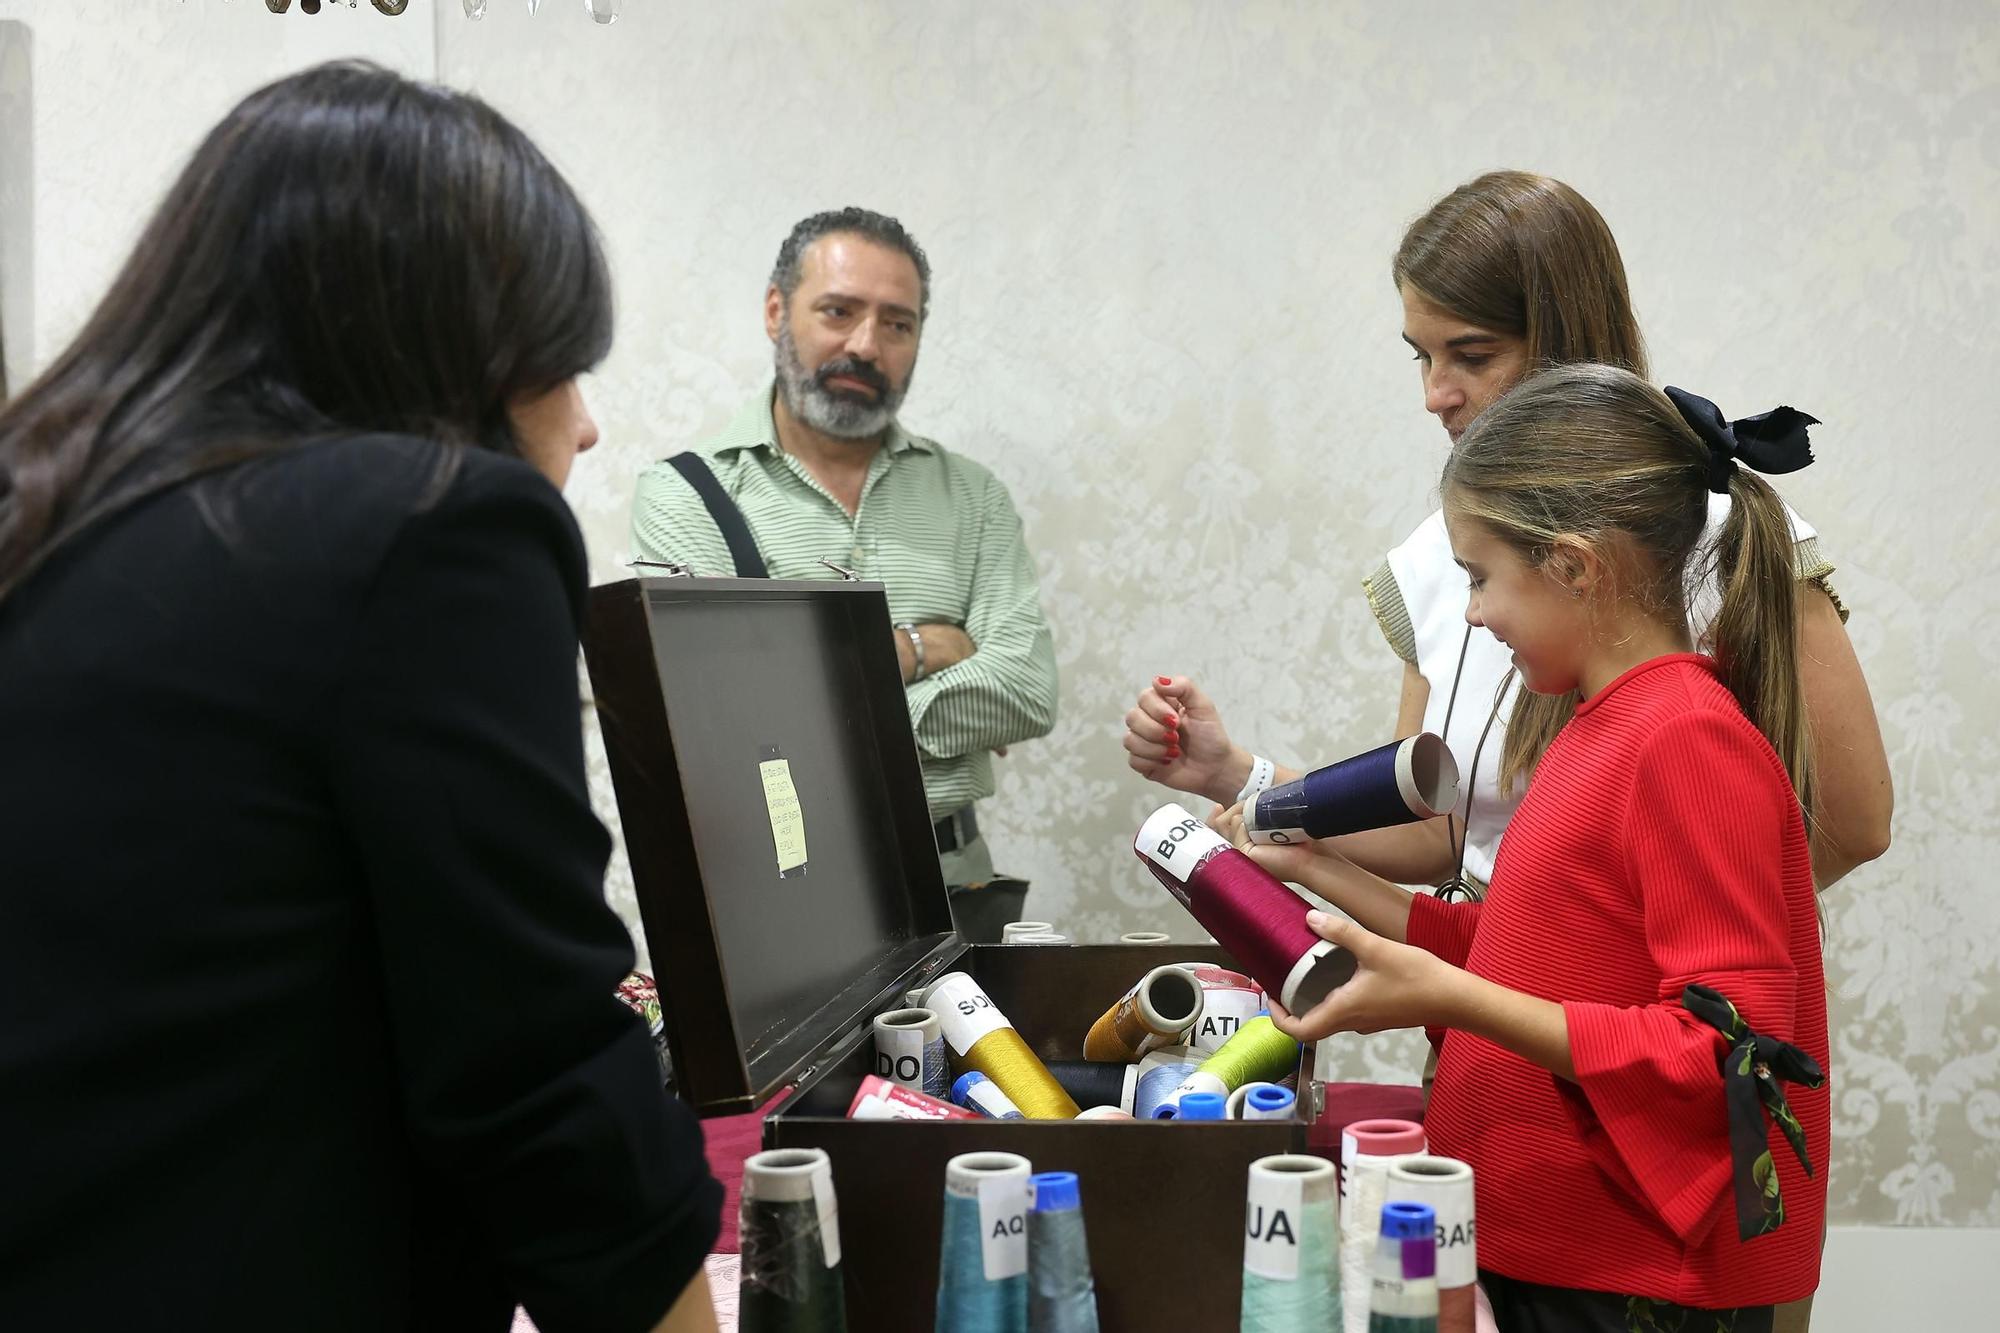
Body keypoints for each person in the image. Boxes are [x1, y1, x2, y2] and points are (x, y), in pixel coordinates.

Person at [0, 63, 720, 1332]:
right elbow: (538, 1067)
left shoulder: (55, 514)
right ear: (447, 350)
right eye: (558, 365)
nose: (589, 425)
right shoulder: (433, 528)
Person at [1232, 363, 1831, 1330]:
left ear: (1575, 565)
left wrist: (1445, 997)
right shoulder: (1592, 727)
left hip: (1630, 1280)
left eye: (1478, 577)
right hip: (1552, 1255)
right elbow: (1513, 960)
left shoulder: (1685, 738)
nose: (1470, 612)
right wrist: (1314, 869)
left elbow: (1725, 1051)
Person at [1123, 172, 1891, 897]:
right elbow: (1438, 830)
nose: (1434, 394)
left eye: (1472, 354)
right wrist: (1236, 773)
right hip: (1475, 1014)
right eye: (1421, 356)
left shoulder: (1723, 531)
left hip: (1641, 1026)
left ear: (1567, 339)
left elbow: (1851, 824)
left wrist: (1630, 953)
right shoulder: (1437, 559)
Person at [630, 207, 1058, 940]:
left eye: (897, 323)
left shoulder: (974, 496)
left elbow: (1026, 690)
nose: (865, 345)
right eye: (838, 311)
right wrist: (920, 650)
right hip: (769, 907)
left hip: (957, 892)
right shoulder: (683, 494)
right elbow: (711, 723)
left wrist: (815, 707)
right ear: (775, 310)